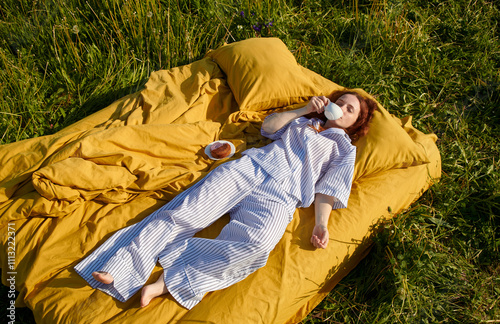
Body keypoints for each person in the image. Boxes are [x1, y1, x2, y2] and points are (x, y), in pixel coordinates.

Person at [75, 90, 376, 310]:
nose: (341, 108)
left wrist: (321, 224)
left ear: (354, 124)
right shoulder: (302, 122)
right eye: (340, 102)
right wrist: (303, 109)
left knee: (256, 246)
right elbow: (268, 129)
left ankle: (166, 283)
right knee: (184, 212)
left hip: (283, 196)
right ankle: (120, 266)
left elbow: (328, 190)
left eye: (350, 110)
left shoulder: (344, 149)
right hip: (250, 168)